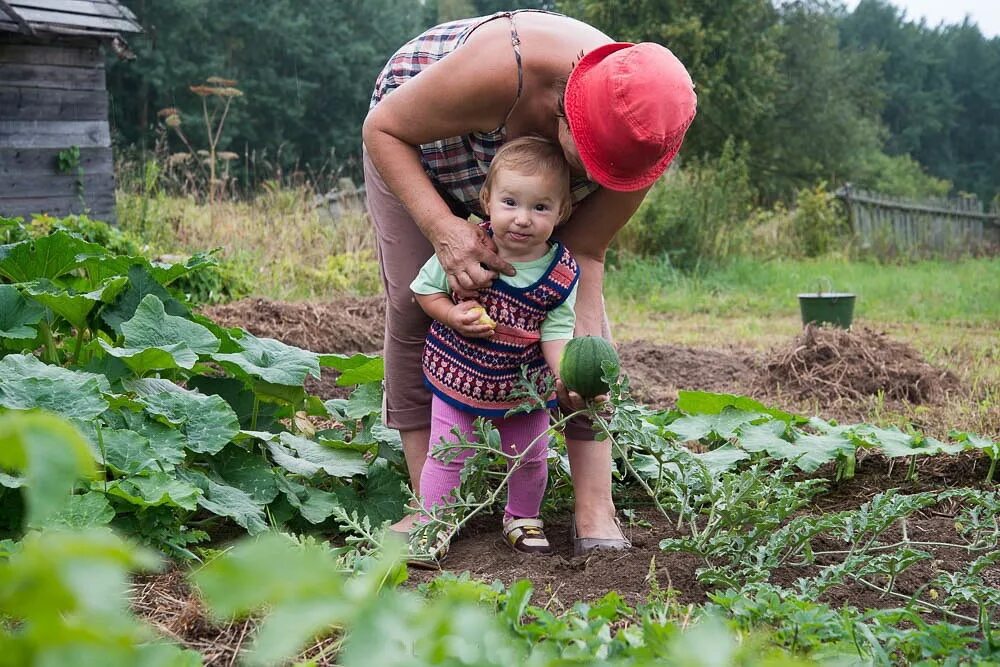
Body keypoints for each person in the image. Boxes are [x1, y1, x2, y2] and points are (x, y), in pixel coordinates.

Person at [363, 9, 696, 554]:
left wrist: (577, 362)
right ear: (565, 117)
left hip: (533, 198)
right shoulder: (504, 69)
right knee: (411, 303)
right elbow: (383, 130)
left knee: (589, 348)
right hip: (414, 145)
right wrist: (443, 228)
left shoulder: (648, 134)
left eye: (604, 178)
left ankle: (595, 505)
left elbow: (584, 252)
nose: (592, 184)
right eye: (587, 166)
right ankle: (430, 507)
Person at [411, 136, 577, 554]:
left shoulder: (560, 271)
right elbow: (424, 291)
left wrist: (563, 375)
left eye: (540, 207)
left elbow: (557, 330)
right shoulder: (469, 246)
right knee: (447, 453)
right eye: (510, 203)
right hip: (459, 374)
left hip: (524, 386)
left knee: (531, 455)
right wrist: (452, 315)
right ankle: (434, 524)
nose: (522, 219)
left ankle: (521, 517)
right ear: (487, 200)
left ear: (562, 211)